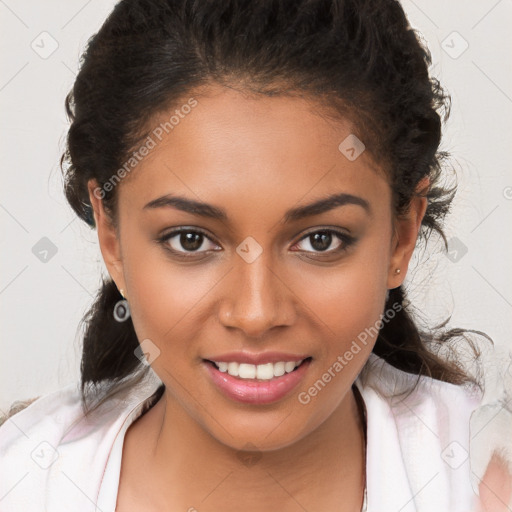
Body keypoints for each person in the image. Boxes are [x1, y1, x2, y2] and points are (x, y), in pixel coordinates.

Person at [1, 0, 510, 510]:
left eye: (320, 240)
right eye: (191, 240)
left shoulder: (487, 483)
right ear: (111, 237)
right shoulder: (21, 483)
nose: (256, 313)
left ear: (401, 235)